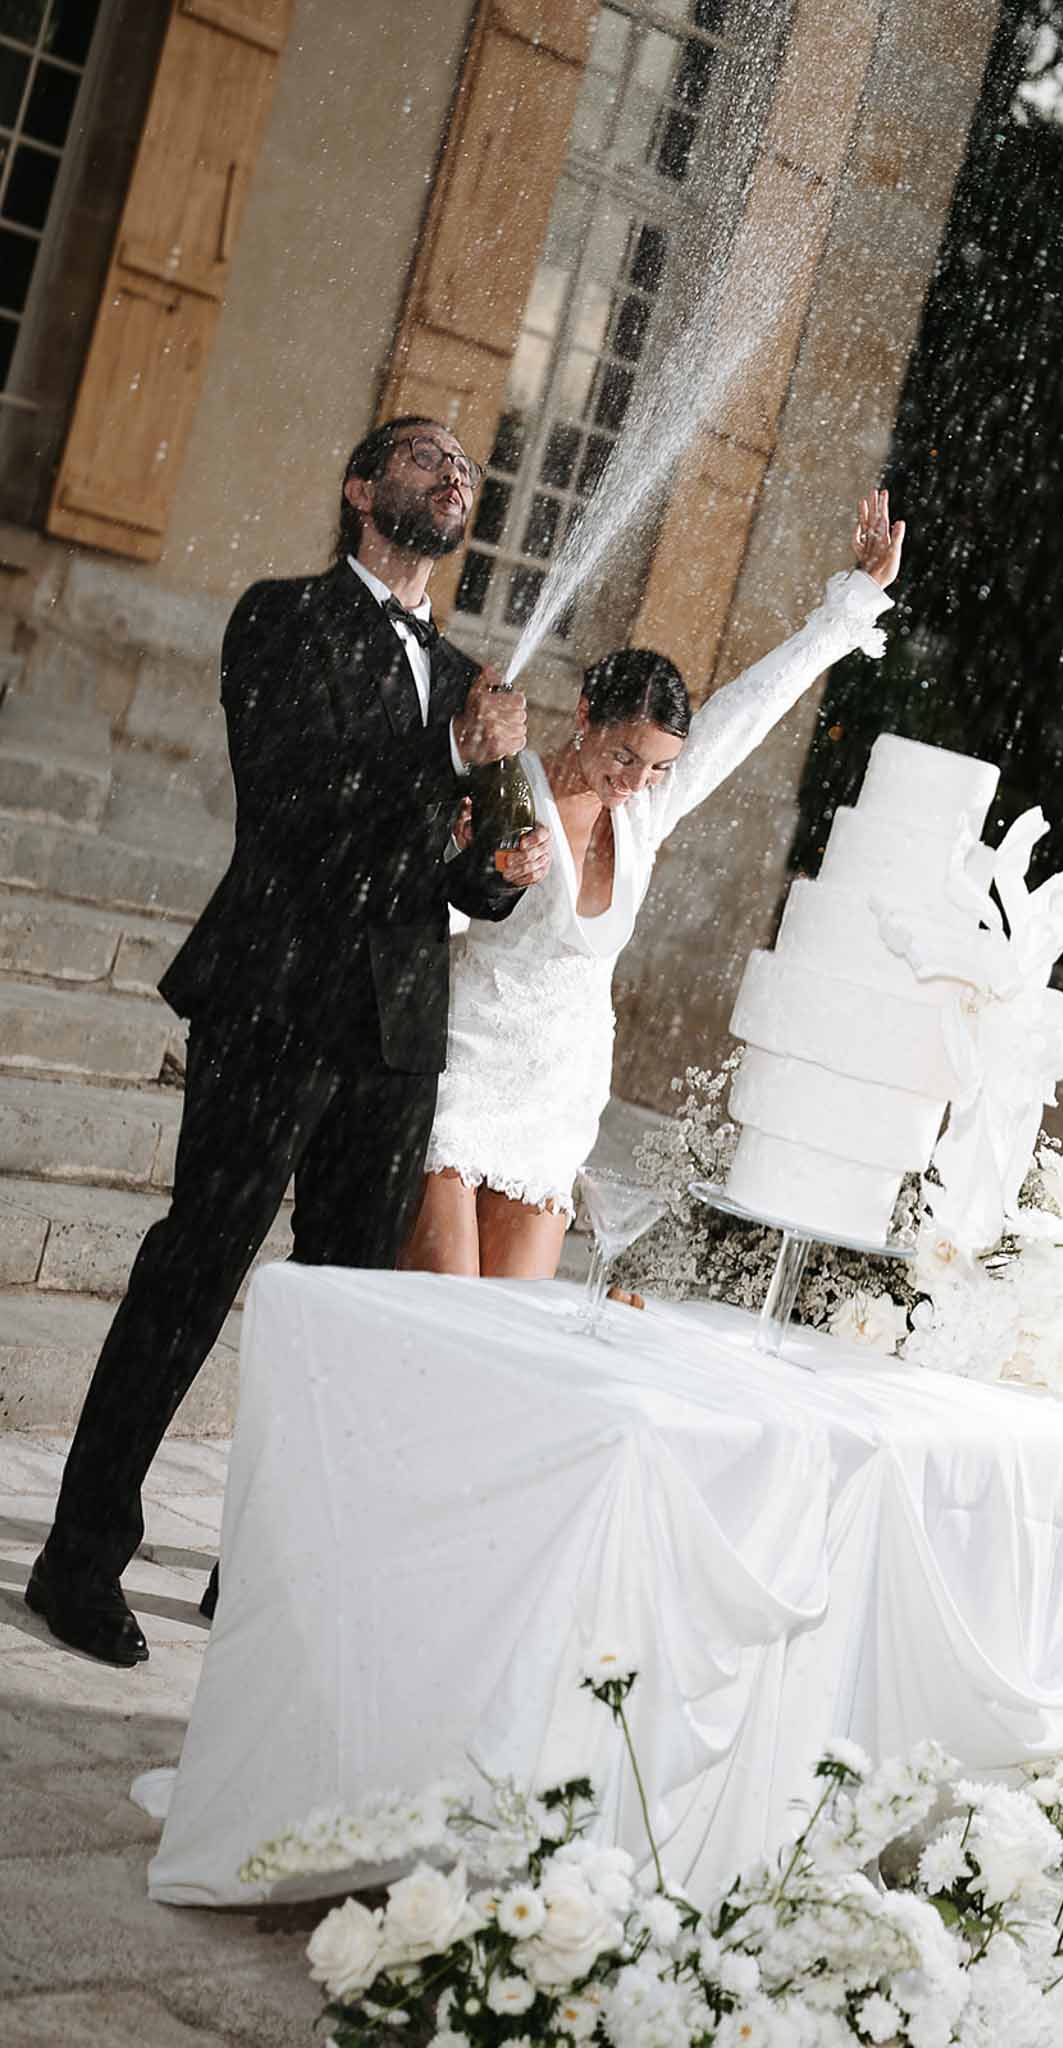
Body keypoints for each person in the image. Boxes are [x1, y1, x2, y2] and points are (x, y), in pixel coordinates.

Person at [27, 416, 551, 1667]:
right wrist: (449, 753)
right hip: (274, 1001)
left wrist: (503, 865)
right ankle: (78, 1557)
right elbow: (294, 799)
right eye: (424, 457)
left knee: (340, 1312)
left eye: (466, 467)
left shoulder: (464, 675)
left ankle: (259, 1571)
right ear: (362, 487)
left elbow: (458, 879)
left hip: (396, 1025)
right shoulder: (281, 619)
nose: (454, 473)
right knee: (193, 1273)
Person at [399, 488, 904, 1279]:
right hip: (465, 1067)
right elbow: (438, 902)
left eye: (660, 767)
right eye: (624, 756)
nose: (635, 781)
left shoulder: (642, 814)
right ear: (586, 715)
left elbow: (750, 708)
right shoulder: (508, 782)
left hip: (558, 1092)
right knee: (436, 1302)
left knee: (502, 1325)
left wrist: (853, 601)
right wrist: (471, 851)